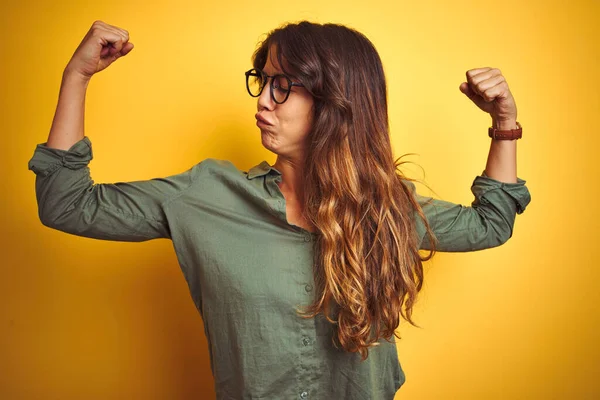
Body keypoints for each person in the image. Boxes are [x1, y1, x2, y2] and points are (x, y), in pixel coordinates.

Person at [28, 20, 531, 399]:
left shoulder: (387, 207)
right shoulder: (205, 196)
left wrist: (504, 124)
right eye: (262, 81)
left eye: (282, 85)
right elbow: (66, 204)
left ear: (336, 100)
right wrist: (77, 76)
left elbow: (491, 223)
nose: (261, 103)